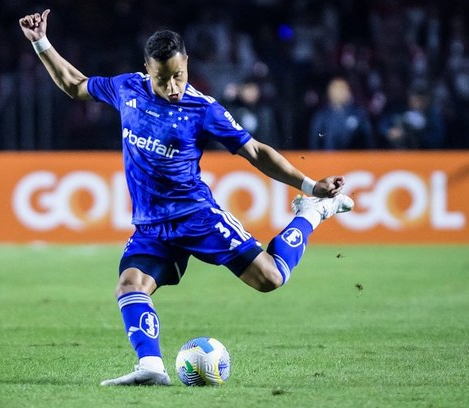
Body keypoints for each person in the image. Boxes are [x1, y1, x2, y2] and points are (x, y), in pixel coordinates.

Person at [19, 9, 354, 386]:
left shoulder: (202, 109)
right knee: (130, 285)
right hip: (151, 225)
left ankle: (313, 213)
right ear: (147, 69)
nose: (174, 86)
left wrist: (310, 186)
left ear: (187, 64)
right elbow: (75, 84)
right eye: (163, 79)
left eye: (179, 75)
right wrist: (41, 43)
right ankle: (151, 367)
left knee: (270, 278)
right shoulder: (126, 88)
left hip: (197, 216)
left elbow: (257, 152)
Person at [308, 78, 374, 150]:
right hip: (328, 158)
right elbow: (314, 141)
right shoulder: (322, 116)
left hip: (354, 159)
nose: (339, 92)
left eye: (342, 89)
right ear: (329, 92)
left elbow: (368, 139)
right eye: (336, 89)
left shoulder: (359, 113)